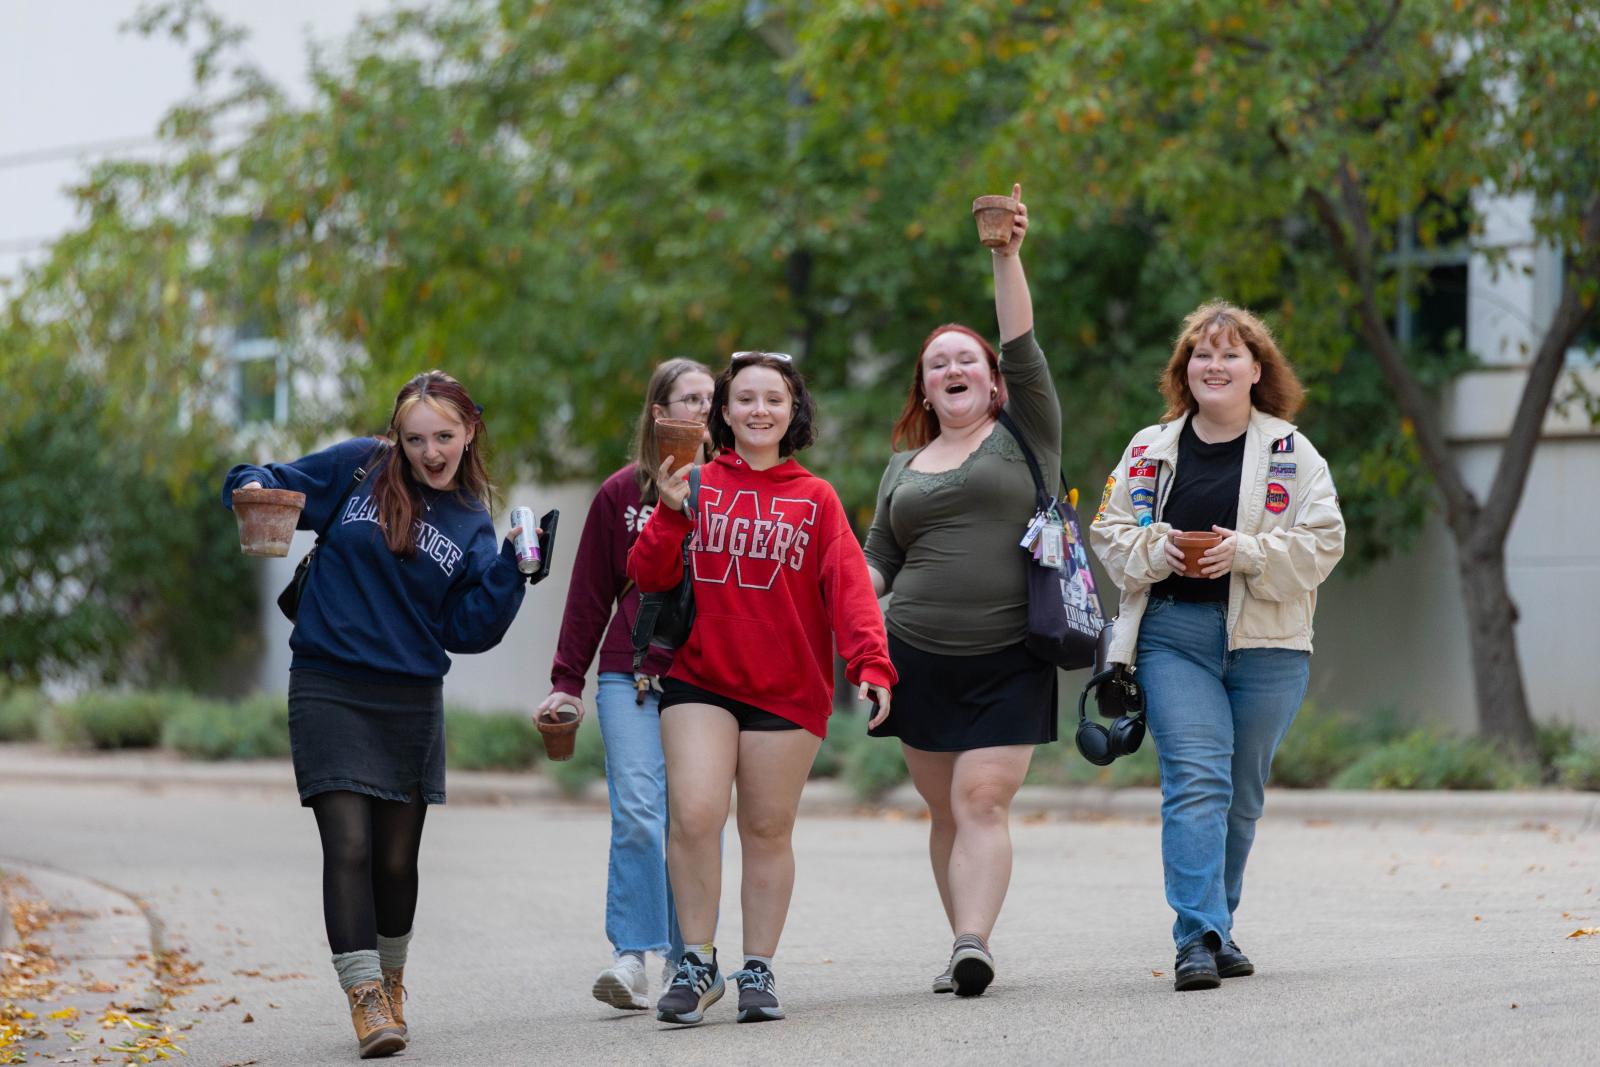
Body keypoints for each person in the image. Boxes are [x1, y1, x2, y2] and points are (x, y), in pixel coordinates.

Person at [222, 370, 535, 1058]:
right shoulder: (358, 467)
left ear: (469, 432)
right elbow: (270, 481)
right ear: (398, 436)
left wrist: (513, 572)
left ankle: (391, 981)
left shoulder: (471, 519)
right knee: (350, 846)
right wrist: (249, 483)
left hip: (410, 698)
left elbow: (467, 628)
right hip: (328, 683)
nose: (429, 452)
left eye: (443, 437)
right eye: (415, 438)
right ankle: (364, 996)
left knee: (396, 861)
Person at [627, 351, 896, 1026]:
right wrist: (670, 512)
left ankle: (758, 967)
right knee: (694, 814)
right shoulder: (693, 481)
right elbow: (647, 574)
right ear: (723, 410)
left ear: (792, 410)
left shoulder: (816, 497)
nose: (759, 410)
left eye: (773, 399)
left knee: (768, 827)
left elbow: (850, 589)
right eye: (744, 398)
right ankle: (696, 962)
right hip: (701, 677)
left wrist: (871, 663)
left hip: (787, 687)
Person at [1088, 302, 1345, 991]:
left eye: (1231, 354)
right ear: (1185, 369)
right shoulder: (1149, 450)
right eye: (1202, 353)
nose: (1215, 364)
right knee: (1197, 779)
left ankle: (1218, 925)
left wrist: (1249, 553)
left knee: (1240, 794)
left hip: (1269, 644)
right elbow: (1108, 532)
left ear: (1257, 370)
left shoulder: (1293, 453)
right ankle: (1197, 936)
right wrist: (1159, 549)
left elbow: (1324, 544)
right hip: (1173, 638)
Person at [862, 184, 1057, 999]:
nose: (952, 368)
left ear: (995, 382)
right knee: (946, 809)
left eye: (966, 359)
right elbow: (878, 562)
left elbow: (1021, 340)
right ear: (923, 386)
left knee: (982, 799)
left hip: (1012, 655)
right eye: (937, 362)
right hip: (916, 657)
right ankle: (960, 943)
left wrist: (1006, 255)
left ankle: (975, 941)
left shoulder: (1026, 432)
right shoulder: (901, 467)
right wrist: (851, 630)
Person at [535, 358, 714, 1011]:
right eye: (689, 399)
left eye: (711, 399)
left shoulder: (734, 488)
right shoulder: (621, 493)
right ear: (659, 413)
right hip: (630, 671)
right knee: (639, 811)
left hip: (709, 679)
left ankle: (690, 959)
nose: (702, 409)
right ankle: (633, 957)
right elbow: (589, 592)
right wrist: (566, 680)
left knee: (694, 817)